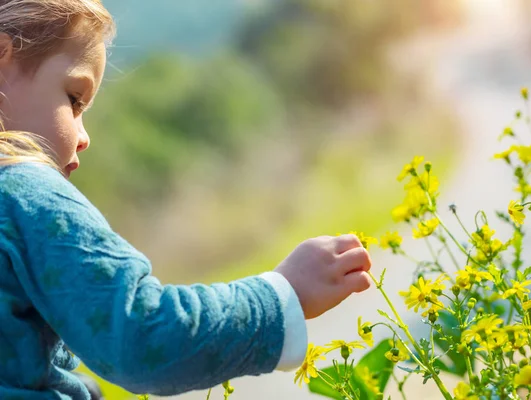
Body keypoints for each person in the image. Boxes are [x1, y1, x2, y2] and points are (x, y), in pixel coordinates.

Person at [0, 1, 373, 399]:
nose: (83, 136)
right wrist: (283, 294)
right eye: (74, 98)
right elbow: (141, 337)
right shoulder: (25, 194)